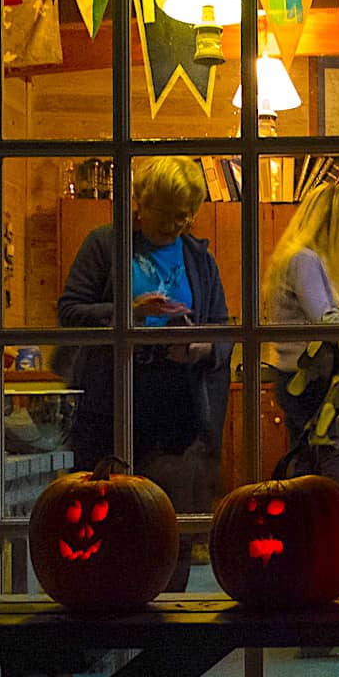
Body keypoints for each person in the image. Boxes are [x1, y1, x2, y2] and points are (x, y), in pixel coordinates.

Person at [58, 156, 232, 524]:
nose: (179, 224)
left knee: (173, 525)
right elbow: (70, 312)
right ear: (142, 202)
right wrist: (130, 312)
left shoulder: (199, 258)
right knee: (104, 520)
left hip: (179, 410)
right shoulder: (106, 244)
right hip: (111, 404)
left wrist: (202, 348)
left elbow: (222, 328)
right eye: (169, 213)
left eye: (187, 214)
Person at [263, 182, 339, 505]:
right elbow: (326, 320)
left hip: (291, 377)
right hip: (309, 381)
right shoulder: (305, 260)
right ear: (332, 227)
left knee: (305, 461)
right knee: (328, 461)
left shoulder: (294, 258)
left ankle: (303, 531)